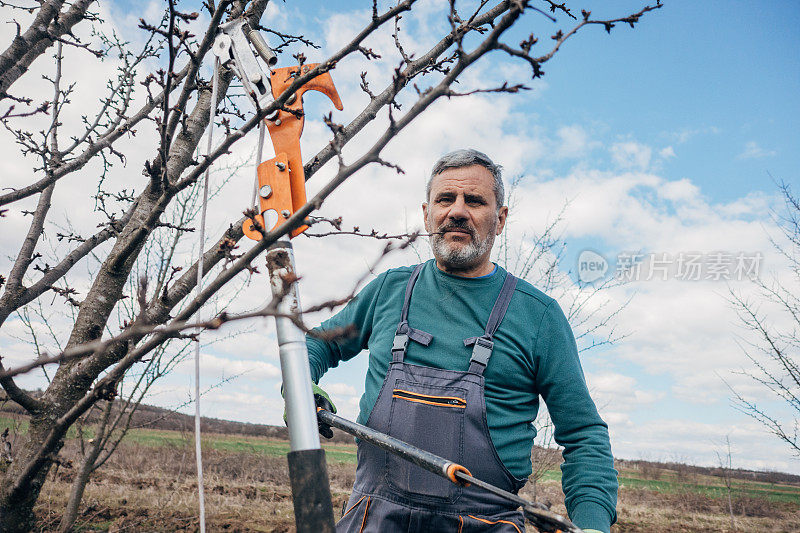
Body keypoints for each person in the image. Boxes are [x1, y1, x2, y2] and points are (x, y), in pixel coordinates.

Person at [305, 149, 617, 533]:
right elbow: (318, 344)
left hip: (485, 525)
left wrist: (593, 524)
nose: (457, 211)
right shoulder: (390, 290)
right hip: (374, 521)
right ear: (426, 214)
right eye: (445, 199)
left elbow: (583, 435)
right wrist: (302, 386)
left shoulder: (538, 316)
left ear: (500, 219)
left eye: (474, 201)